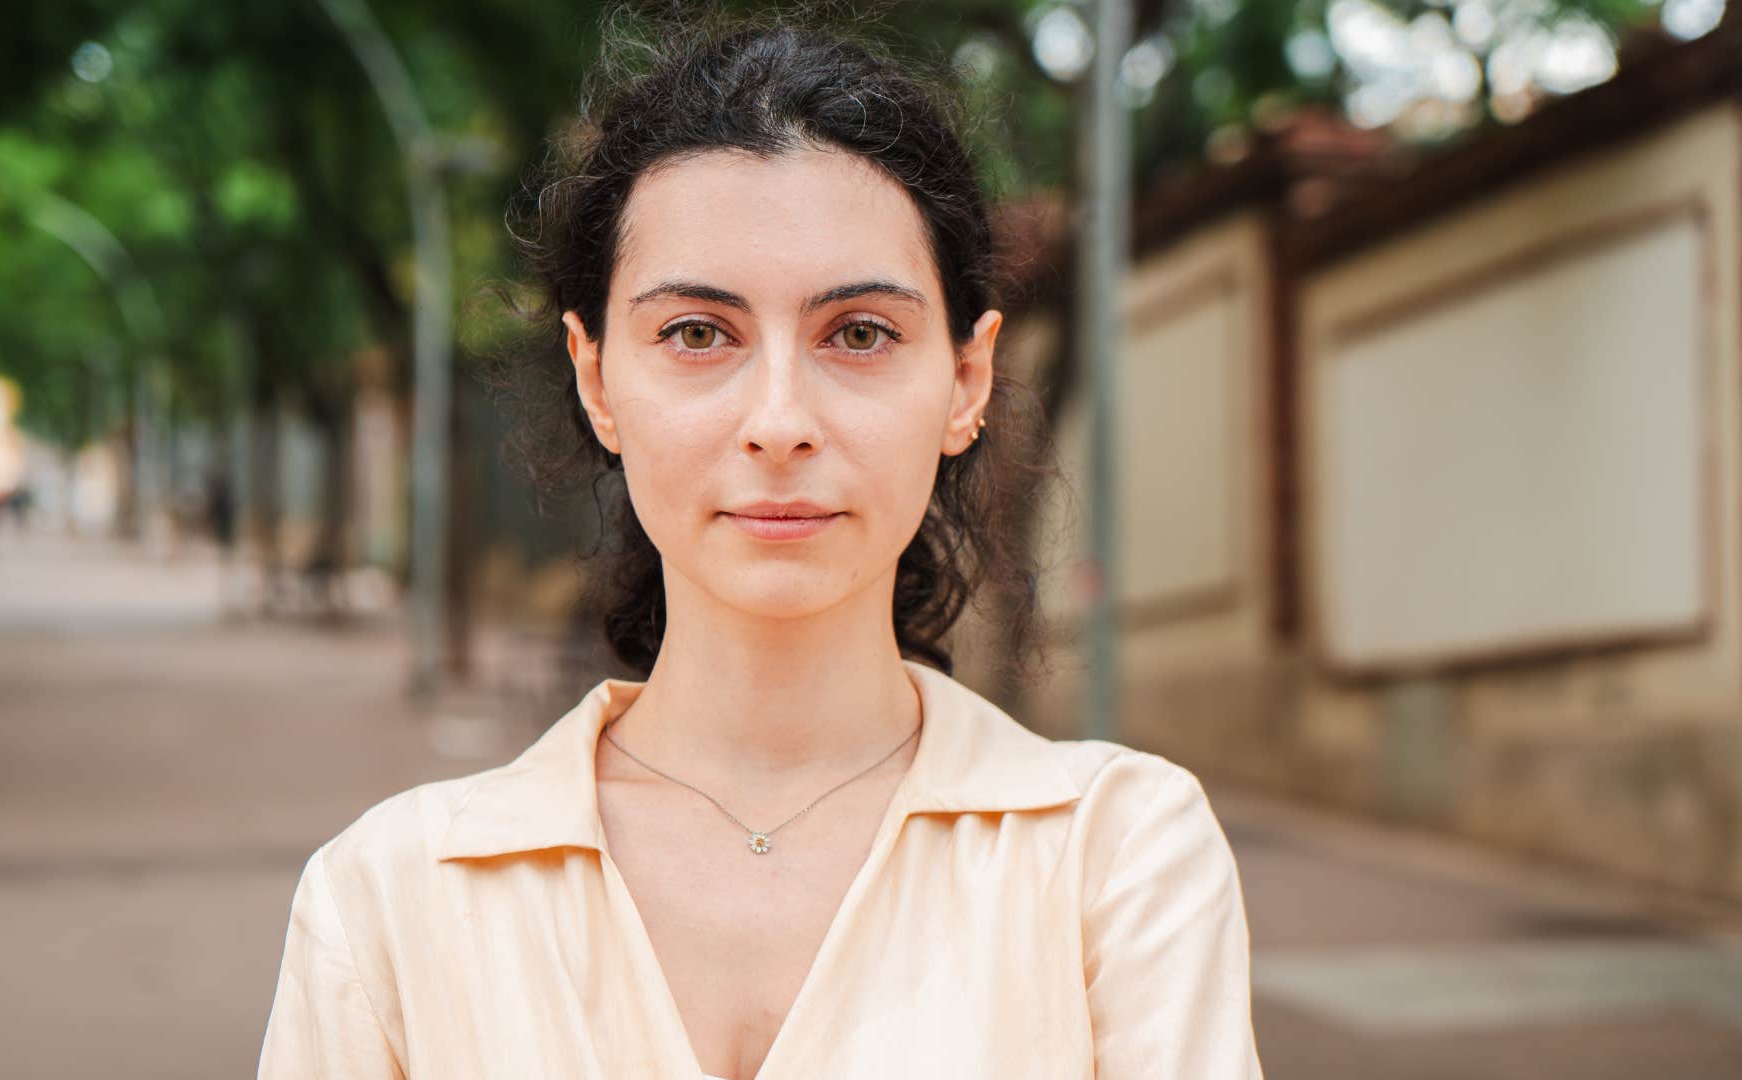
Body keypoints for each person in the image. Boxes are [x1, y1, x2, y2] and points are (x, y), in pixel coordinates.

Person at [257, 14, 1262, 1080]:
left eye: (859, 333)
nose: (779, 420)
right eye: (698, 334)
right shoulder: (387, 899)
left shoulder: (1120, 860)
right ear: (596, 380)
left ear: (966, 382)